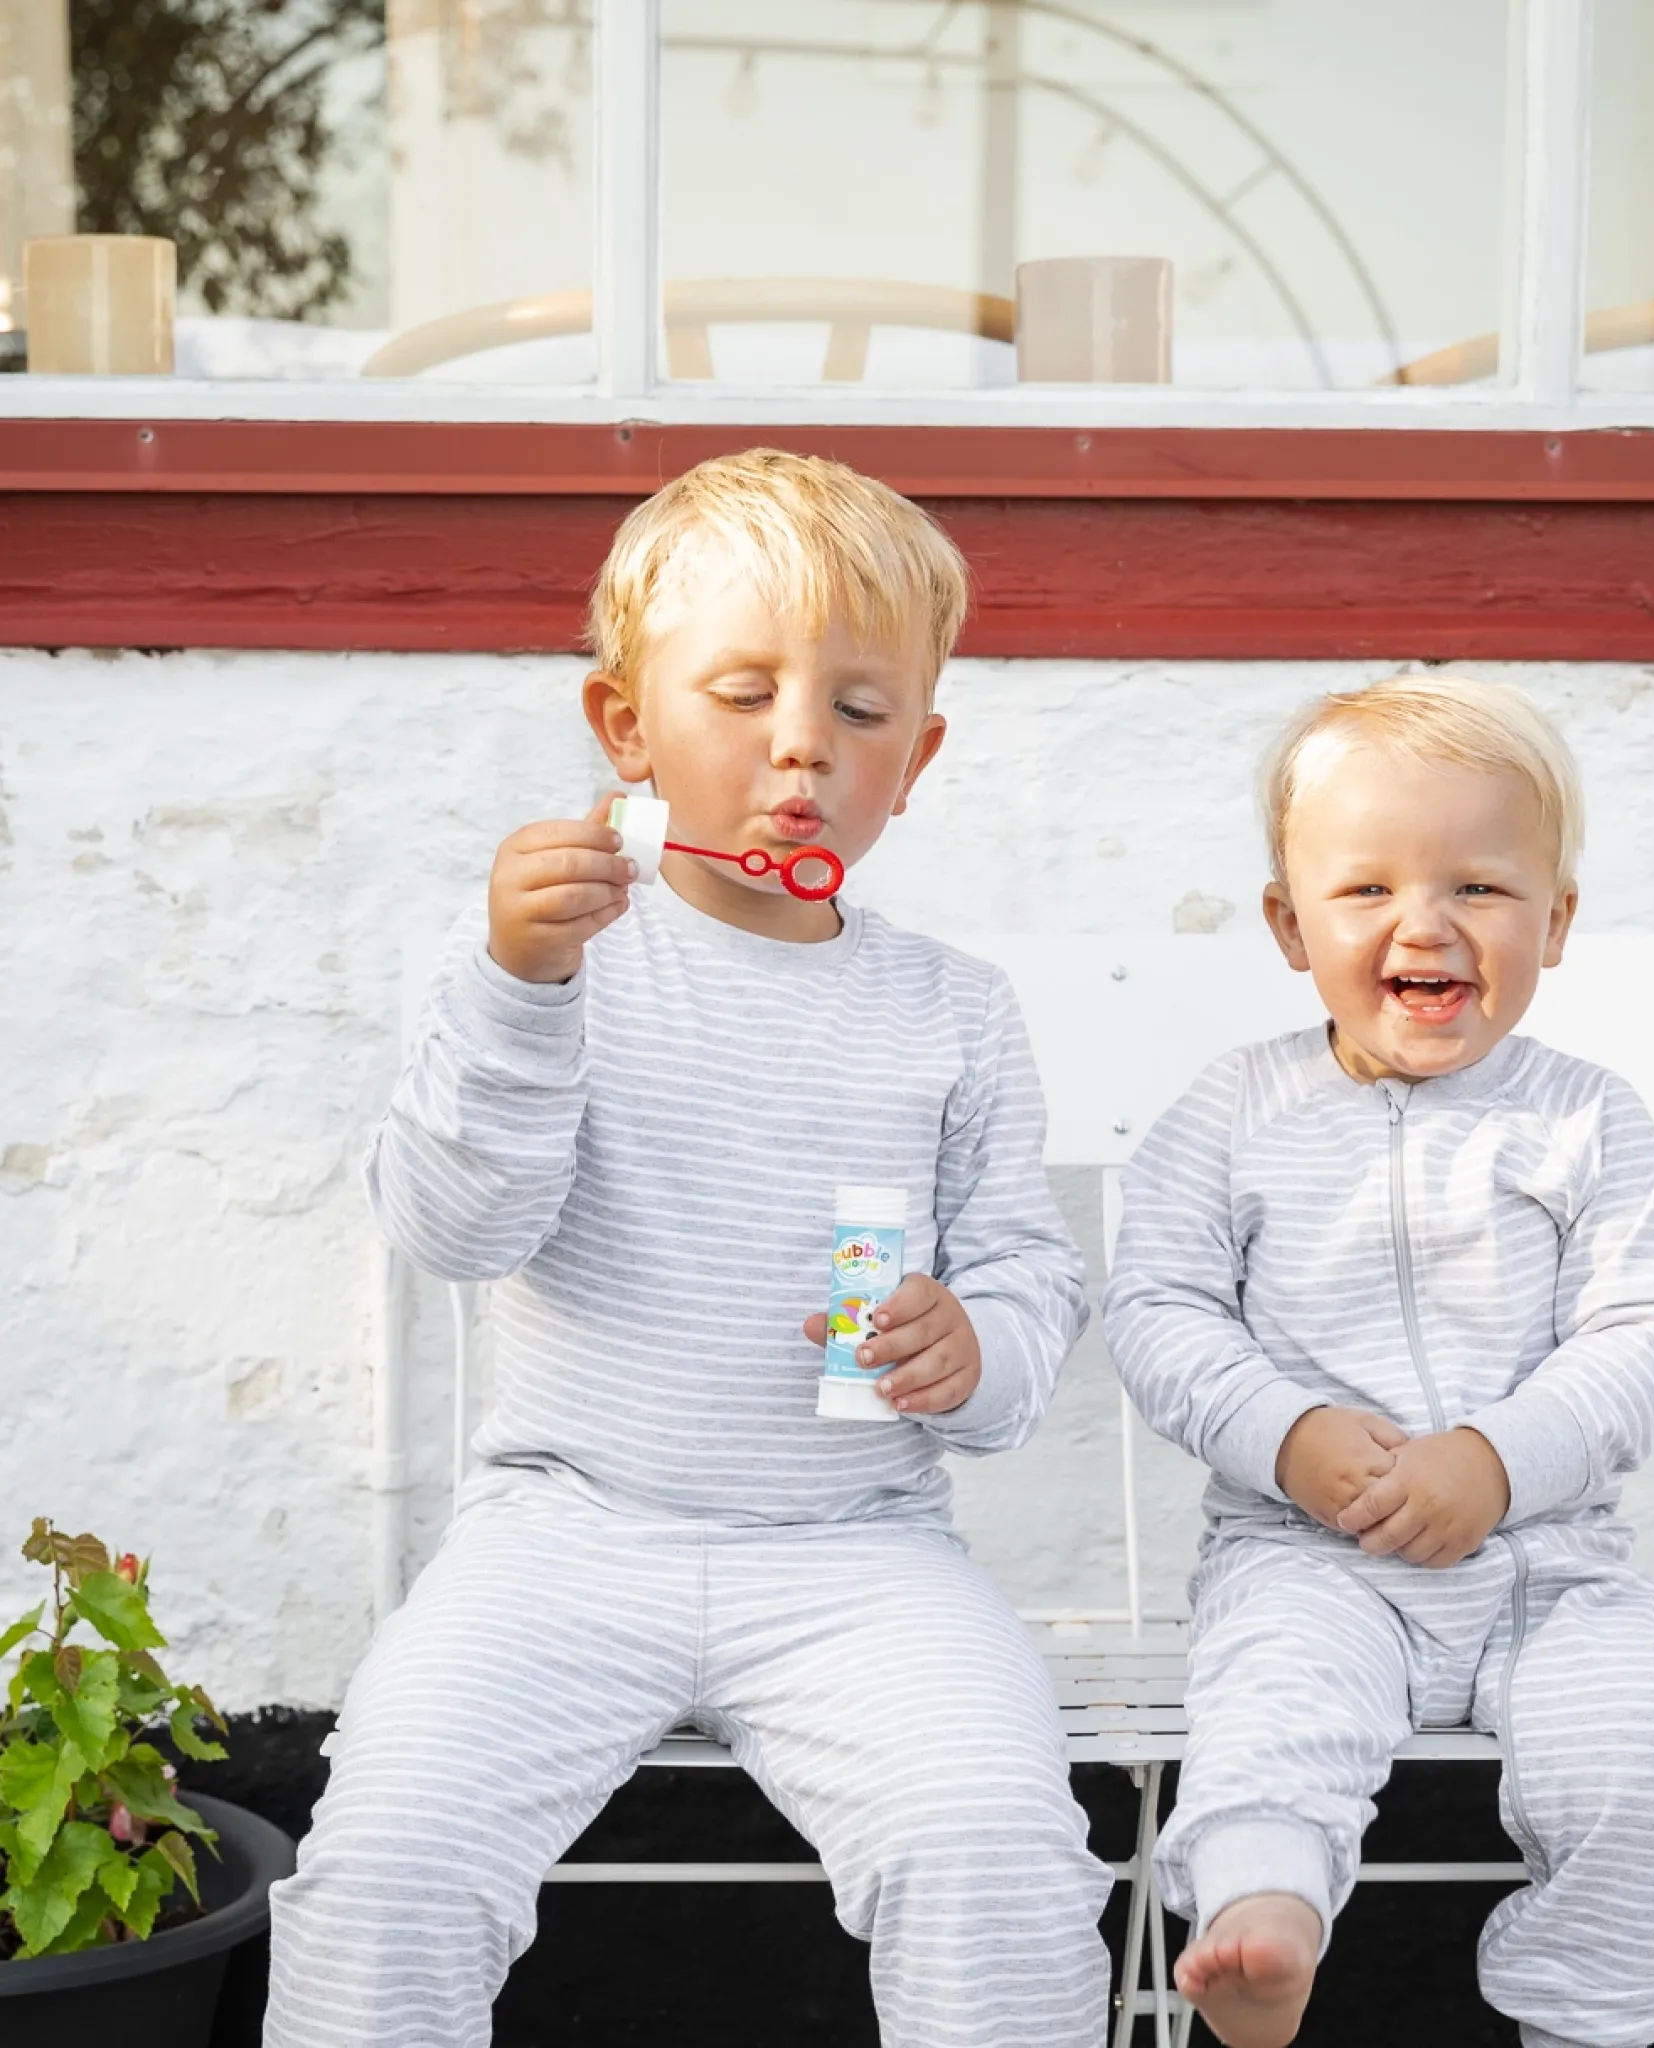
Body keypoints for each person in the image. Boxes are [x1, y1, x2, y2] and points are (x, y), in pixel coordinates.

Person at [265, 449, 1110, 2048]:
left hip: (860, 1554)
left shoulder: (952, 1010)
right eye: (743, 694)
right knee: (387, 1864)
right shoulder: (559, 948)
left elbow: (1025, 1271)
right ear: (625, 730)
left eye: (862, 715)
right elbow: (454, 1228)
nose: (803, 744)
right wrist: (521, 986)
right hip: (564, 1539)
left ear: (916, 762)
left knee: (998, 1856)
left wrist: (976, 1344)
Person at [1104, 675, 1654, 2048]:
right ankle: (1264, 1922)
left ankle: (1597, 2010)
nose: (1425, 923)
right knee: (1274, 1716)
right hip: (1309, 1555)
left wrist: (1500, 1462)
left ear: (1556, 920)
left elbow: (1653, 1325)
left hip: (1554, 1568)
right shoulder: (1233, 1113)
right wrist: (1287, 1433)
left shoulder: (1584, 1117)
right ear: (1289, 924)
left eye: (1481, 886)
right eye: (1366, 890)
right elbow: (1157, 1310)